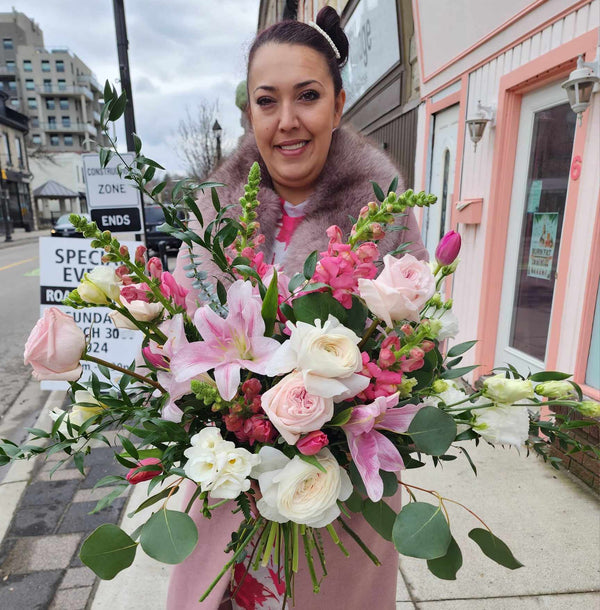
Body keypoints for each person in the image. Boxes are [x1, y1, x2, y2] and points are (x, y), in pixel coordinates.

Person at [169, 7, 427, 609]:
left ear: (338, 105)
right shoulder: (214, 212)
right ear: (250, 113)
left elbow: (417, 346)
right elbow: (175, 344)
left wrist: (342, 409)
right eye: (267, 101)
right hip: (230, 490)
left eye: (307, 96)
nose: (287, 121)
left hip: (337, 496)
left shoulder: (381, 210)